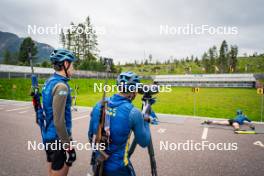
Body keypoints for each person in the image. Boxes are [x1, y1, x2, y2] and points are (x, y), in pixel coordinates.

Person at [88, 71, 152, 176]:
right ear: (134, 91)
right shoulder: (133, 112)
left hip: (98, 164)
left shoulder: (99, 104)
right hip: (119, 169)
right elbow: (144, 142)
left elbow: (91, 136)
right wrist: (145, 120)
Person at [42, 49, 77, 176]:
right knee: (57, 172)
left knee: (52, 169)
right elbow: (59, 121)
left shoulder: (49, 82)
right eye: (72, 64)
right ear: (65, 64)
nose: (73, 68)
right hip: (57, 138)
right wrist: (68, 145)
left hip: (48, 134)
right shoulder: (61, 86)